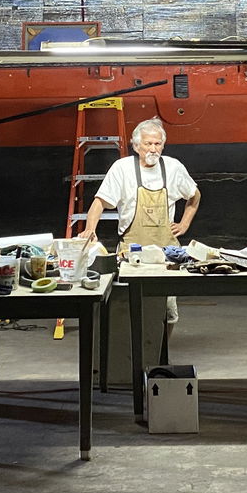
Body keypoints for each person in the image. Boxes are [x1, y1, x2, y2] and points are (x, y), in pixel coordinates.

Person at [81, 117, 200, 344]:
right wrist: (90, 229)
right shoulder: (122, 169)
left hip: (167, 256)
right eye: (147, 144)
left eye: (157, 144)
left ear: (163, 145)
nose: (153, 149)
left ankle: (158, 353)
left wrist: (184, 224)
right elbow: (99, 203)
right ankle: (130, 355)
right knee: (127, 308)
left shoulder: (174, 168)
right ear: (136, 146)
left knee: (168, 311)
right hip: (131, 254)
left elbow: (195, 196)